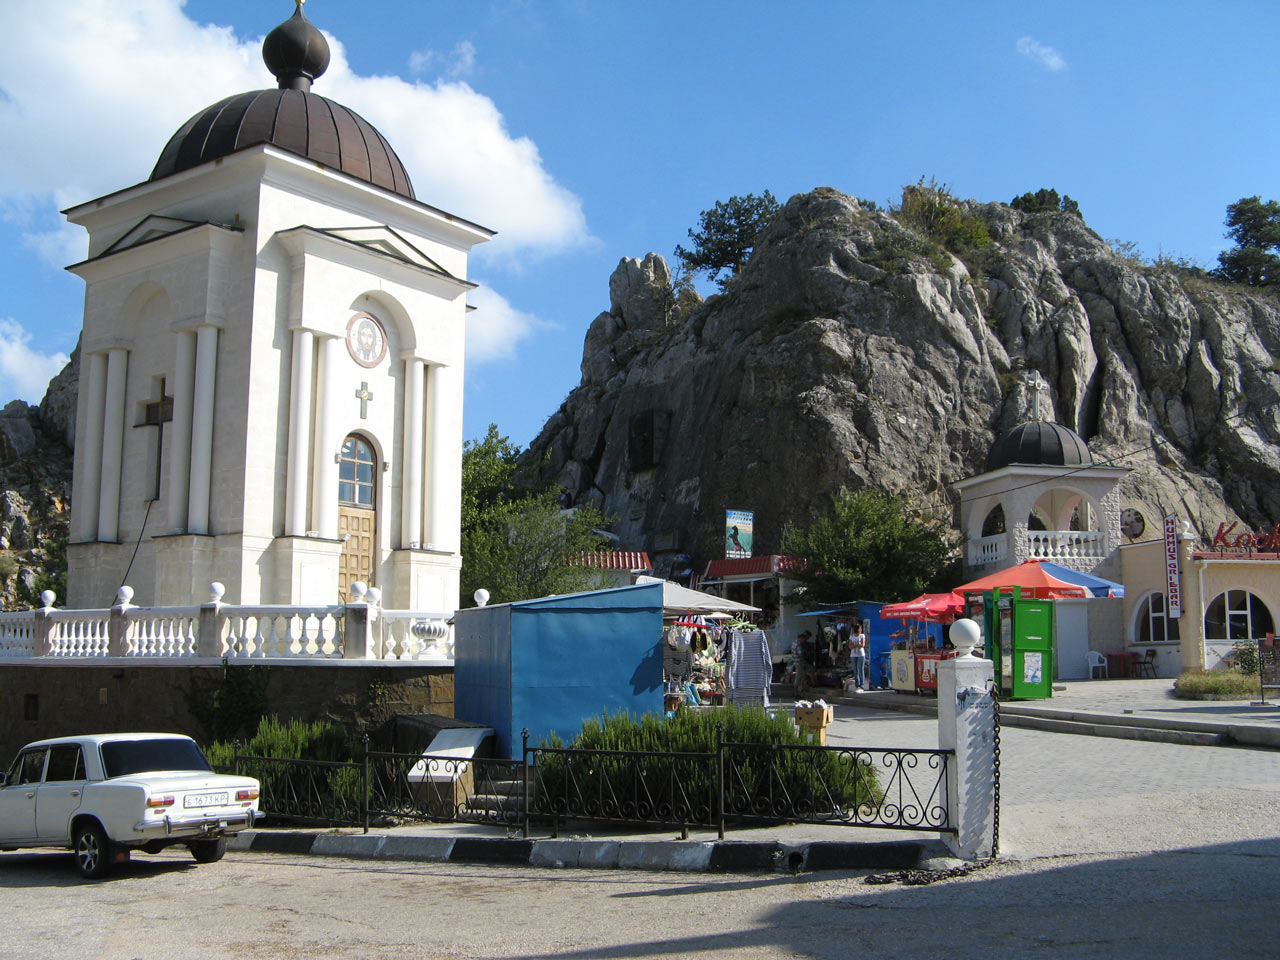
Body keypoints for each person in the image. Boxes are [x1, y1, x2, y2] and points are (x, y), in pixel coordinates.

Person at [792, 630, 813, 698]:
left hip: (796, 662)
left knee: (801, 678)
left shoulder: (794, 643)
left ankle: (799, 693)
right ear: (801, 638)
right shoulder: (798, 645)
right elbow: (801, 654)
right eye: (803, 639)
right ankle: (796, 694)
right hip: (799, 663)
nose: (804, 641)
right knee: (798, 679)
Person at [850, 623, 868, 692]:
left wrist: (856, 645)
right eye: (860, 629)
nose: (861, 630)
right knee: (855, 670)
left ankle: (862, 685)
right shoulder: (851, 637)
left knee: (861, 669)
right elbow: (850, 646)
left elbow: (863, 645)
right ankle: (857, 685)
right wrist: (857, 645)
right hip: (853, 655)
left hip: (861, 654)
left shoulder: (862, 635)